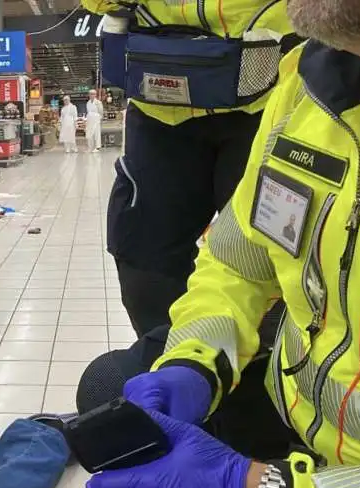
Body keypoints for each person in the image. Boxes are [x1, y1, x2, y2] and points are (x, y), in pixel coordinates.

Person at [77, 1, 360, 488]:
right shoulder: (314, 84)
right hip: (317, 451)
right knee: (117, 384)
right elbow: (238, 256)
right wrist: (196, 362)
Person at [87, 0, 298, 338]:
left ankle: (264, 377)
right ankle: (169, 365)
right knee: (143, 266)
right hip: (159, 105)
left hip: (269, 96)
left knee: (276, 256)